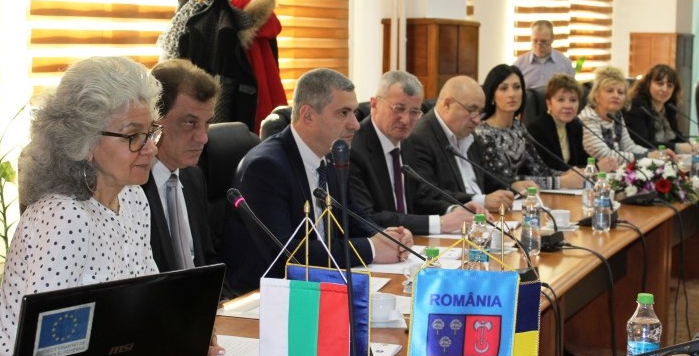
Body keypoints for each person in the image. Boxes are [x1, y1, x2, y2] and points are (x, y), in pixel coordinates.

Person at [0, 56, 164, 356]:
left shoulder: (133, 199)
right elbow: (43, 349)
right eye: (133, 136)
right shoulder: (64, 216)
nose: (151, 148)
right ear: (84, 143)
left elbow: (148, 298)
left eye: (151, 132)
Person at [221, 68, 412, 294]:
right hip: (268, 296)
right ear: (308, 115)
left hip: (320, 283)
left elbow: (352, 217)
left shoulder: (328, 156)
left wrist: (388, 237)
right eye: (343, 113)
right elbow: (288, 253)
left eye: (354, 113)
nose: (355, 124)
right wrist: (371, 248)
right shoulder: (265, 167)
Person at [349, 71, 482, 235]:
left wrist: (453, 209)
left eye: (414, 112)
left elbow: (418, 199)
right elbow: (367, 218)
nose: (405, 120)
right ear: (374, 104)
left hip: (411, 242)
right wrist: (440, 223)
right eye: (398, 109)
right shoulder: (354, 149)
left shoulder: (407, 142)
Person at [144, 58, 218, 273]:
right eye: (190, 123)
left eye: (207, 123)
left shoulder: (193, 177)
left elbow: (208, 260)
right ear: (155, 120)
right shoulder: (130, 187)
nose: (203, 138)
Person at [407, 76, 515, 213]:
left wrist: (512, 185)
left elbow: (484, 178)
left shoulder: (469, 135)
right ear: (447, 104)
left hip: (485, 218)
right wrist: (481, 201)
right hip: (456, 221)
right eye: (471, 110)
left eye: (480, 112)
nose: (477, 120)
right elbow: (428, 194)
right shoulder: (420, 137)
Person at [475, 65, 585, 190]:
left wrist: (567, 174)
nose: (512, 94)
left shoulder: (518, 127)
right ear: (492, 95)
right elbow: (505, 180)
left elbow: (539, 169)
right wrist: (561, 182)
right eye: (504, 88)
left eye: (517, 87)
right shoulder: (483, 133)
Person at [527, 73, 618, 172]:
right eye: (561, 100)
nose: (568, 106)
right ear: (549, 104)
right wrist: (596, 168)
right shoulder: (537, 130)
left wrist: (604, 163)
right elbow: (552, 168)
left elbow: (581, 159)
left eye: (573, 100)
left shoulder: (575, 125)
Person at [579, 66, 658, 163]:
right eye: (609, 91)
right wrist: (646, 156)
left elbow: (628, 146)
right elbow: (605, 155)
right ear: (596, 95)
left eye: (620, 92)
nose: (616, 95)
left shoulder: (616, 115)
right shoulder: (587, 118)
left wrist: (655, 153)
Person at [625, 64, 687, 150]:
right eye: (660, 84)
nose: (665, 89)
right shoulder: (637, 106)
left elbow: (677, 136)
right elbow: (642, 143)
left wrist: (691, 145)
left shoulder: (669, 107)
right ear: (648, 84)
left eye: (669, 86)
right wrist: (677, 147)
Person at [512, 20, 576, 89]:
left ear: (552, 39)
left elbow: (572, 91)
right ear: (531, 38)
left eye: (544, 41)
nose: (539, 45)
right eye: (535, 41)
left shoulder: (565, 64)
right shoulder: (519, 65)